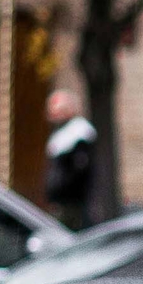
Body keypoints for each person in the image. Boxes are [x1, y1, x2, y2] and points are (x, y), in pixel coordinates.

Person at [43, 87, 99, 227]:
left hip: (74, 206)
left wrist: (62, 188)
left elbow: (78, 170)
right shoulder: (61, 133)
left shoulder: (79, 134)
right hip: (62, 204)